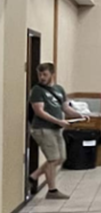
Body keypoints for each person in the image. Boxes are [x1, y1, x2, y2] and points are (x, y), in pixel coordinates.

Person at [28, 62, 85, 200]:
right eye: (40, 74)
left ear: (52, 74)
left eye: (45, 74)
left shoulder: (59, 89)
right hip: (42, 128)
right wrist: (58, 121)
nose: (42, 77)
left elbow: (65, 108)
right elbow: (39, 111)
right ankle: (52, 191)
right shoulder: (37, 90)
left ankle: (34, 176)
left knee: (61, 158)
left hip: (56, 129)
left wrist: (79, 115)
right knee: (53, 159)